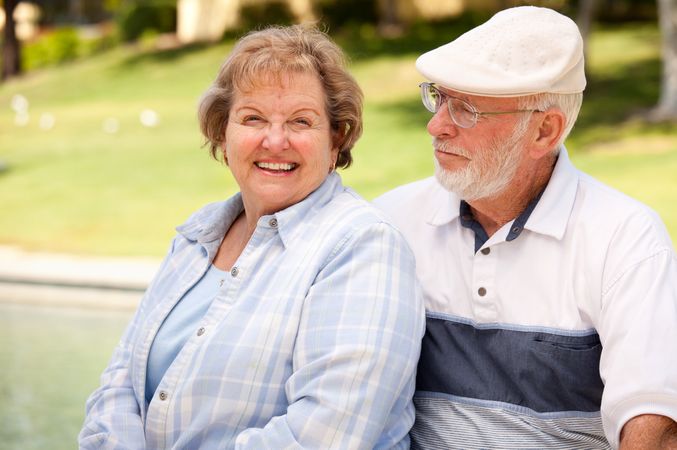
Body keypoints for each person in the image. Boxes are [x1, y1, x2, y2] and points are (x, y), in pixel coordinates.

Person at [79, 25, 425, 449]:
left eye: (301, 121)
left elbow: (323, 435)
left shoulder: (363, 247)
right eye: (253, 118)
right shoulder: (198, 236)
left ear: (336, 140)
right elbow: (117, 388)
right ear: (223, 135)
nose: (275, 140)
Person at [375, 6, 677, 449]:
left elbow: (653, 420)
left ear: (544, 131)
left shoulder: (624, 238)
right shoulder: (391, 222)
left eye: (465, 110)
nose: (436, 125)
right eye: (438, 98)